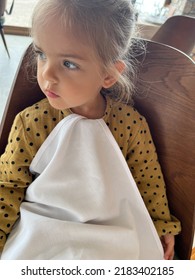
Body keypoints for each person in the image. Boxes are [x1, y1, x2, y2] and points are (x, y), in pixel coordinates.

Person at [0, 0, 181, 260]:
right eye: (41, 54)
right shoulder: (31, 123)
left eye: (69, 64)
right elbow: (7, 188)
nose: (47, 75)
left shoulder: (131, 125)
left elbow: (149, 181)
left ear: (108, 75)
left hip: (114, 235)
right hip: (43, 235)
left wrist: (162, 224)